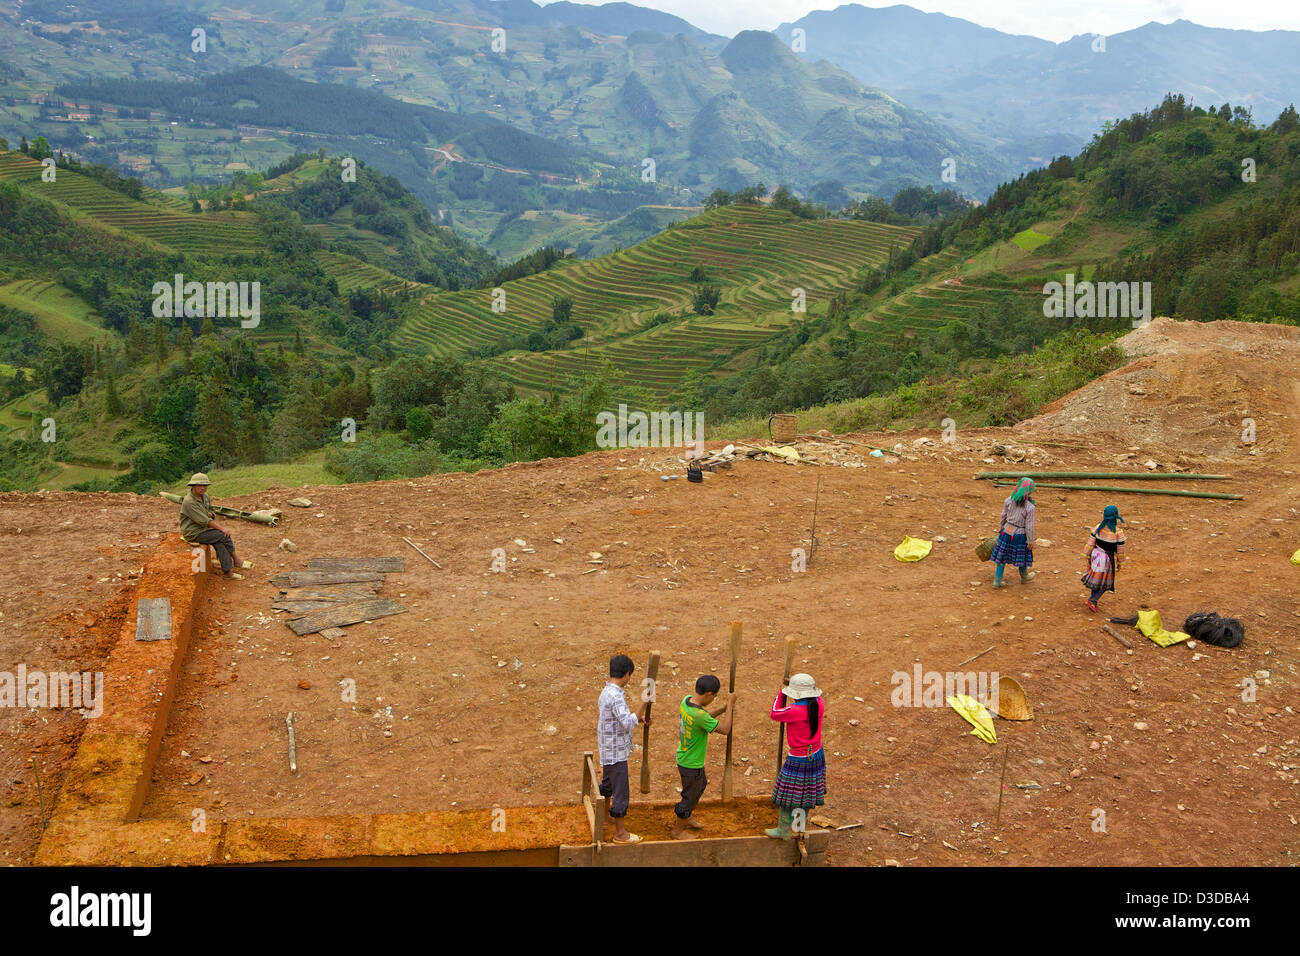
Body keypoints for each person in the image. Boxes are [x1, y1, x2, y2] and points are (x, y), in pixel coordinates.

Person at [670, 675, 735, 840]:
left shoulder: (687, 702)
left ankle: (687, 817)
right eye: (714, 696)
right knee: (689, 796)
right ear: (709, 693)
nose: (713, 699)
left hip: (686, 759)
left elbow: (706, 717)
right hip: (691, 764)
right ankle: (678, 830)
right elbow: (726, 729)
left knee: (700, 786)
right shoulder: (699, 716)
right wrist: (730, 706)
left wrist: (722, 707)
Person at [596, 653, 650, 844]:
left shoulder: (606, 692)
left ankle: (604, 817)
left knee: (608, 784)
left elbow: (619, 720)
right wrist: (644, 704)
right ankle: (620, 834)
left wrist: (638, 717)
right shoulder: (616, 696)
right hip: (616, 751)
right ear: (627, 674)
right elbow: (626, 723)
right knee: (620, 790)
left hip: (607, 748)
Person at [767, 673, 826, 839]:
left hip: (798, 759)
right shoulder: (819, 704)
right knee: (805, 794)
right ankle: (798, 827)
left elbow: (774, 713)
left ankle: (783, 830)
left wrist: (782, 692)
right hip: (816, 754)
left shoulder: (794, 710)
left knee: (787, 795)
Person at [179, 473, 252, 579]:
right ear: (193, 486)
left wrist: (211, 514)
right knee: (223, 535)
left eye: (205, 485)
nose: (203, 488)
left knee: (219, 542)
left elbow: (212, 512)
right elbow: (205, 521)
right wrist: (222, 528)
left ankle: (228, 572)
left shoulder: (205, 497)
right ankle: (237, 560)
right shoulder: (189, 502)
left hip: (204, 529)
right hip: (194, 532)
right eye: (200, 485)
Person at [990, 477, 1036, 588]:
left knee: (1002, 557)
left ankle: (997, 581)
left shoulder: (1008, 500)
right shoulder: (1030, 507)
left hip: (1006, 532)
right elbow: (1029, 526)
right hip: (1020, 535)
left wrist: (1001, 528)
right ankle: (1024, 576)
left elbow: (1003, 516)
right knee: (1023, 556)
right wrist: (1030, 540)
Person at [1082, 504, 1126, 612]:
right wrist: (1120, 563)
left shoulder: (1098, 528)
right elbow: (1120, 550)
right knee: (1106, 583)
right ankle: (1092, 600)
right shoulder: (1118, 533)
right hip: (1106, 560)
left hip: (1095, 555)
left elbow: (1090, 542)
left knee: (1096, 579)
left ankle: (1094, 600)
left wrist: (1086, 555)